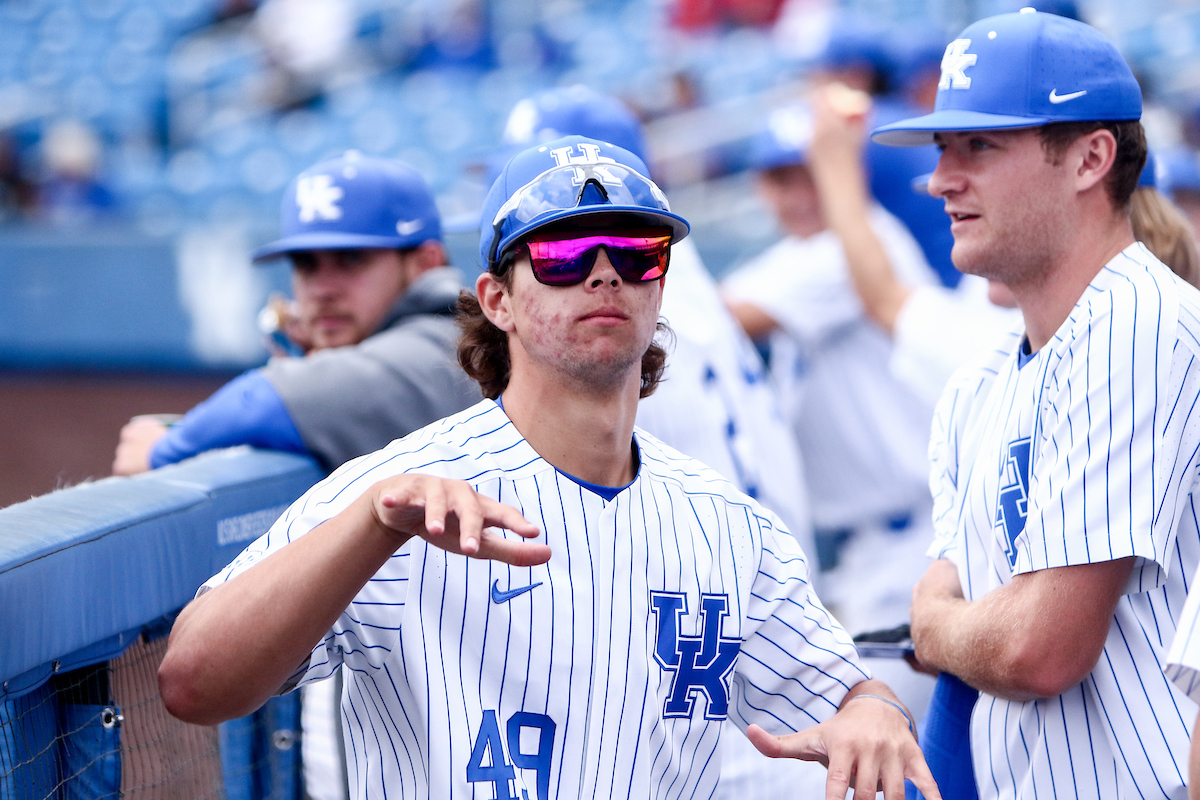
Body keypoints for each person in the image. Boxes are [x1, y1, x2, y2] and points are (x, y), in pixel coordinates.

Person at [158, 135, 942, 800]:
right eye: (563, 254)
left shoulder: (729, 528)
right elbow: (192, 683)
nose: (605, 274)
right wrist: (369, 526)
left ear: (661, 285)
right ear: (496, 299)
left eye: (636, 252)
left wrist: (875, 708)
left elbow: (848, 691)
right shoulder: (400, 495)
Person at [871, 9, 1200, 798]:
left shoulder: (1143, 321)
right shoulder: (978, 384)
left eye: (980, 146)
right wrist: (955, 631)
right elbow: (971, 677)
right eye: (942, 148)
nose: (941, 179)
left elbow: (1039, 649)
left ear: (1090, 158)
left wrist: (939, 628)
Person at [723, 102, 939, 691]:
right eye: (780, 179)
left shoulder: (860, 244)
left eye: (809, 174)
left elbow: (717, 320)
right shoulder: (798, 257)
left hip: (913, 542)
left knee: (878, 730)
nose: (798, 194)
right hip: (869, 552)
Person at [112, 151, 481, 476]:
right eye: (306, 264)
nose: (322, 289)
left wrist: (162, 448)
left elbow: (262, 401)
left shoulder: (448, 345)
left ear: (424, 263)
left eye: (351, 259)